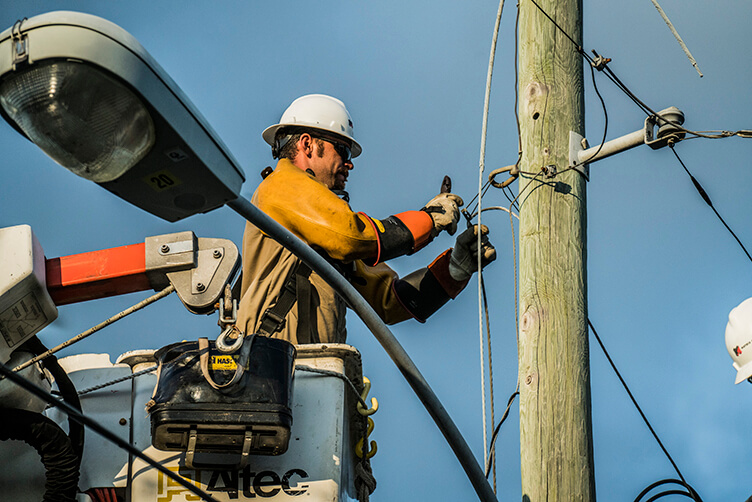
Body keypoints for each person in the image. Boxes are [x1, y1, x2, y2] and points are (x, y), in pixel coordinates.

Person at [236, 94, 496, 345]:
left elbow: (391, 301)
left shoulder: (324, 229)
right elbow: (352, 236)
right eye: (343, 151)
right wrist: (428, 220)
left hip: (314, 373)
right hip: (269, 364)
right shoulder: (282, 185)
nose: (349, 165)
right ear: (307, 144)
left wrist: (455, 269)